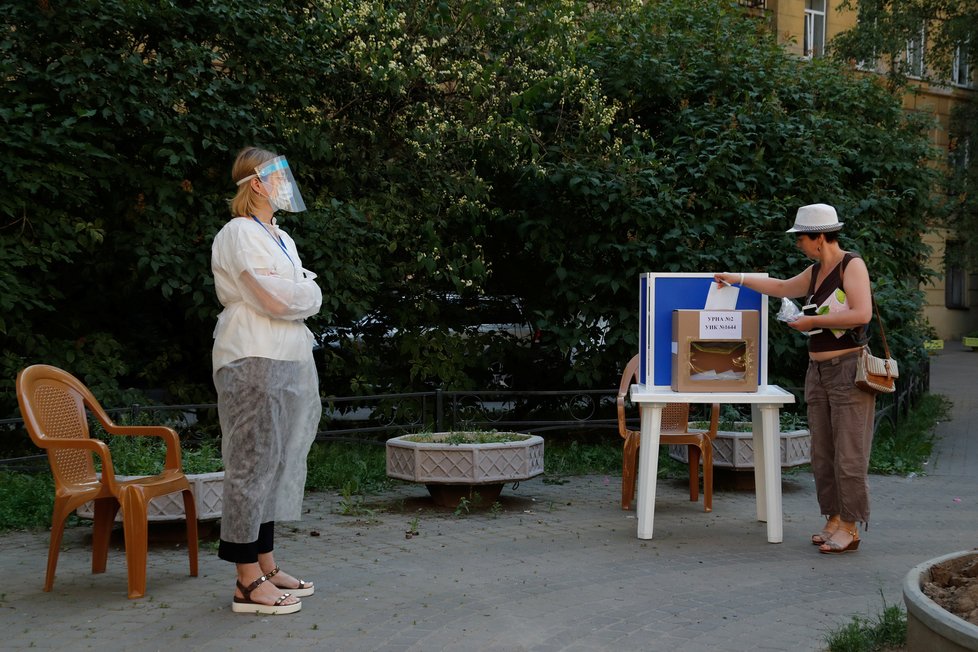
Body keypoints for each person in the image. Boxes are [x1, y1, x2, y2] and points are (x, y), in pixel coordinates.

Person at [714, 203, 874, 554]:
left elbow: (862, 313)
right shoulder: (816, 271)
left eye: (801, 237)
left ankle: (850, 526)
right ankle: (833, 518)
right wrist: (737, 278)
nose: (798, 243)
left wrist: (813, 323)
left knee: (849, 452)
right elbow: (782, 287)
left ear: (819, 237)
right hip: (817, 372)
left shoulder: (852, 265)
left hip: (848, 369)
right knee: (823, 452)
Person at [211, 146, 323, 613]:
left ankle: (267, 564)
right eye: (276, 175)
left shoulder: (281, 237)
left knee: (275, 465)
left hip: (289, 355)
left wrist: (302, 293)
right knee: (251, 464)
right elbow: (274, 298)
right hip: (252, 355)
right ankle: (245, 581)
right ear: (256, 183)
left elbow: (294, 295)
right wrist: (308, 292)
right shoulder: (238, 233)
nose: (284, 182)